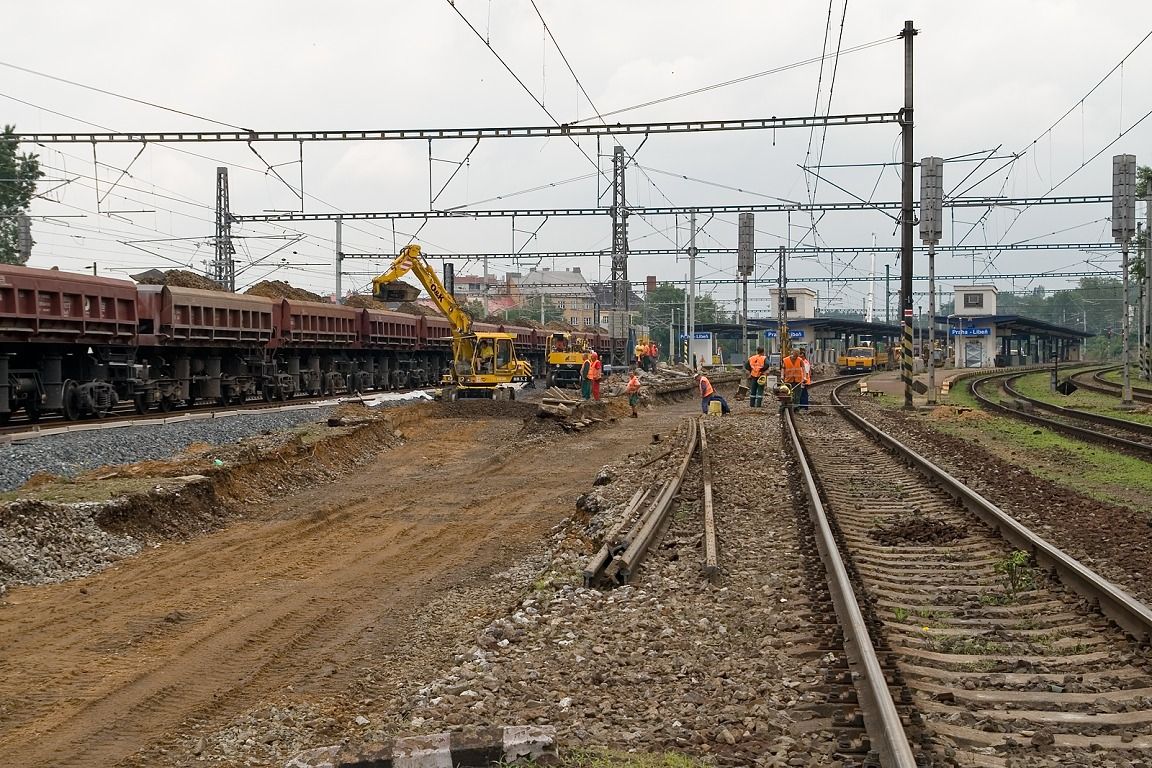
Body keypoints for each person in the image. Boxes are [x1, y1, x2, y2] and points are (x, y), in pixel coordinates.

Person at [798, 348, 812, 412]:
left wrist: (804, 380)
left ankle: (804, 406)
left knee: (803, 394)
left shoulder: (805, 363)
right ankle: (803, 406)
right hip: (802, 380)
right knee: (803, 393)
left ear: (802, 356)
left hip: (804, 381)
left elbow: (806, 372)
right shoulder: (803, 362)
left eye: (799, 356)